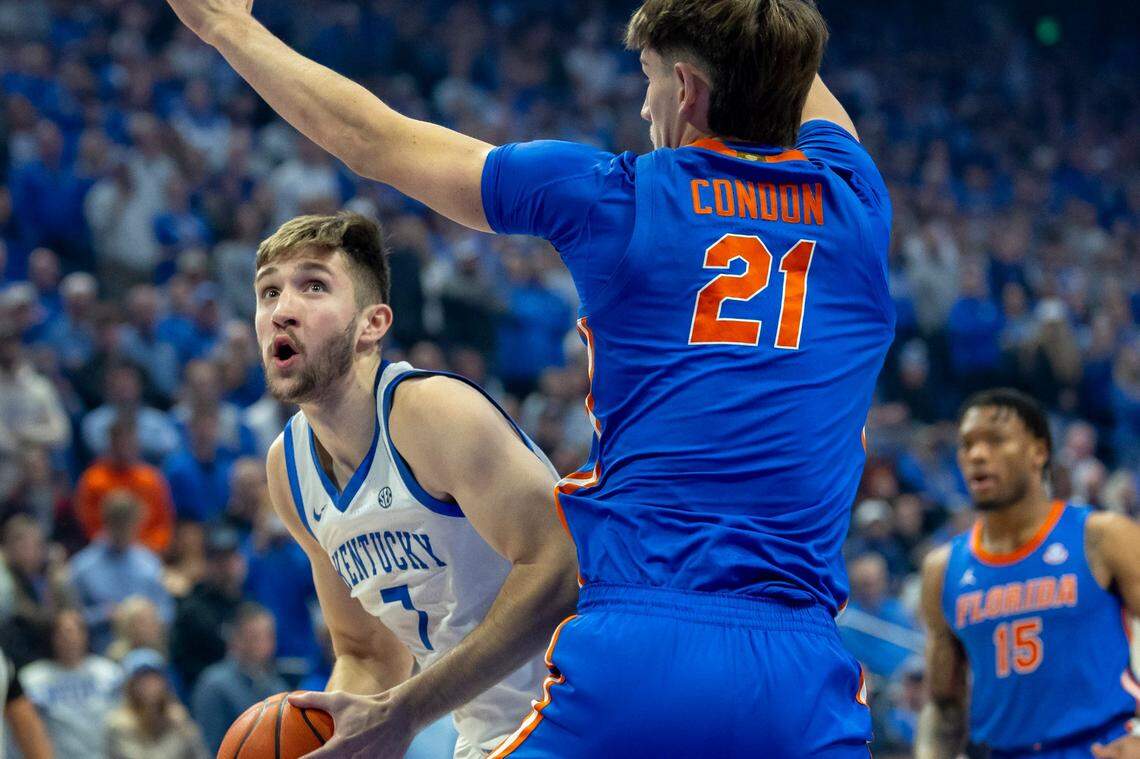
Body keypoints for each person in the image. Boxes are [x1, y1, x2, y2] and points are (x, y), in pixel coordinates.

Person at [165, 0, 892, 754]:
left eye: (647, 81)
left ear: (686, 89)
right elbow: (784, 61)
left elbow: (372, 141)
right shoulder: (858, 198)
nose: (643, 106)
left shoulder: (617, 197)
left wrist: (226, 26)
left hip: (641, 640)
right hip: (802, 671)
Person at [249, 213, 576, 758]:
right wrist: (332, 744)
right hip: (485, 736)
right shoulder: (289, 470)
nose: (281, 311)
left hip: (585, 709)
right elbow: (366, 653)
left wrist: (408, 712)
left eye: (313, 286)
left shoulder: (430, 412)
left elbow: (563, 564)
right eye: (268, 293)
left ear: (372, 324)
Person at [917, 389, 1140, 759]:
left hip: (1099, 745)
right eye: (967, 444)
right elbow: (943, 707)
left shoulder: (1102, 536)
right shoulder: (942, 569)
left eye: (996, 440)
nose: (976, 455)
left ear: (1038, 451)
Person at [69, 490, 174, 653]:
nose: (125, 529)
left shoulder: (149, 563)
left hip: (147, 653)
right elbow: (73, 619)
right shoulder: (83, 567)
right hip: (101, 655)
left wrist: (145, 619)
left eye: (129, 523)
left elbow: (167, 612)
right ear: (107, 522)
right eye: (119, 523)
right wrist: (104, 614)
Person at [19, 609, 122, 758]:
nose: (68, 638)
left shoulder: (108, 673)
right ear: (52, 637)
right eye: (61, 633)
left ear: (85, 635)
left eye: (73, 631)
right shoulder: (32, 679)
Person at [189, 603, 288, 754]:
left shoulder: (275, 683)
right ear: (236, 640)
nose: (266, 644)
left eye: (269, 635)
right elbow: (211, 748)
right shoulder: (214, 685)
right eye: (256, 637)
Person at [105, 648, 208, 759]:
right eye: (141, 680)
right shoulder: (117, 725)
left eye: (154, 678)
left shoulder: (179, 720)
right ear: (130, 686)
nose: (149, 685)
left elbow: (200, 755)